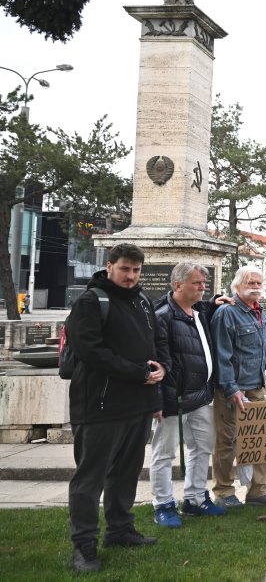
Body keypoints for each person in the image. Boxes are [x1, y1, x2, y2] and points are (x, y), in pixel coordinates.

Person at [65, 243, 166, 572]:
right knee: (89, 480)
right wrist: (137, 372)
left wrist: (160, 369)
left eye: (136, 270)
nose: (131, 275)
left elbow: (153, 345)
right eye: (125, 269)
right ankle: (83, 546)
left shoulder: (141, 301)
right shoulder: (91, 302)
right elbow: (90, 351)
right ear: (109, 266)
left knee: (125, 473)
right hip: (100, 405)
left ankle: (120, 530)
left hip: (136, 405)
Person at [149, 262, 224, 529]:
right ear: (177, 285)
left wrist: (214, 301)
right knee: (165, 453)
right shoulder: (163, 316)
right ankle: (163, 504)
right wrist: (157, 400)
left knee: (202, 447)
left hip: (201, 396)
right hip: (174, 399)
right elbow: (156, 362)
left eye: (204, 283)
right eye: (197, 283)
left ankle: (195, 498)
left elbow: (207, 308)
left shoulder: (198, 311)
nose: (203, 287)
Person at [211, 265, 266, 508]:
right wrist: (231, 389)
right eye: (250, 283)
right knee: (227, 441)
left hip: (256, 387)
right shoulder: (226, 313)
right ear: (237, 286)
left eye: (258, 283)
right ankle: (223, 491)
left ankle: (258, 490)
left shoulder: (259, 312)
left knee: (258, 439)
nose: (255, 287)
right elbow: (222, 355)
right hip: (232, 389)